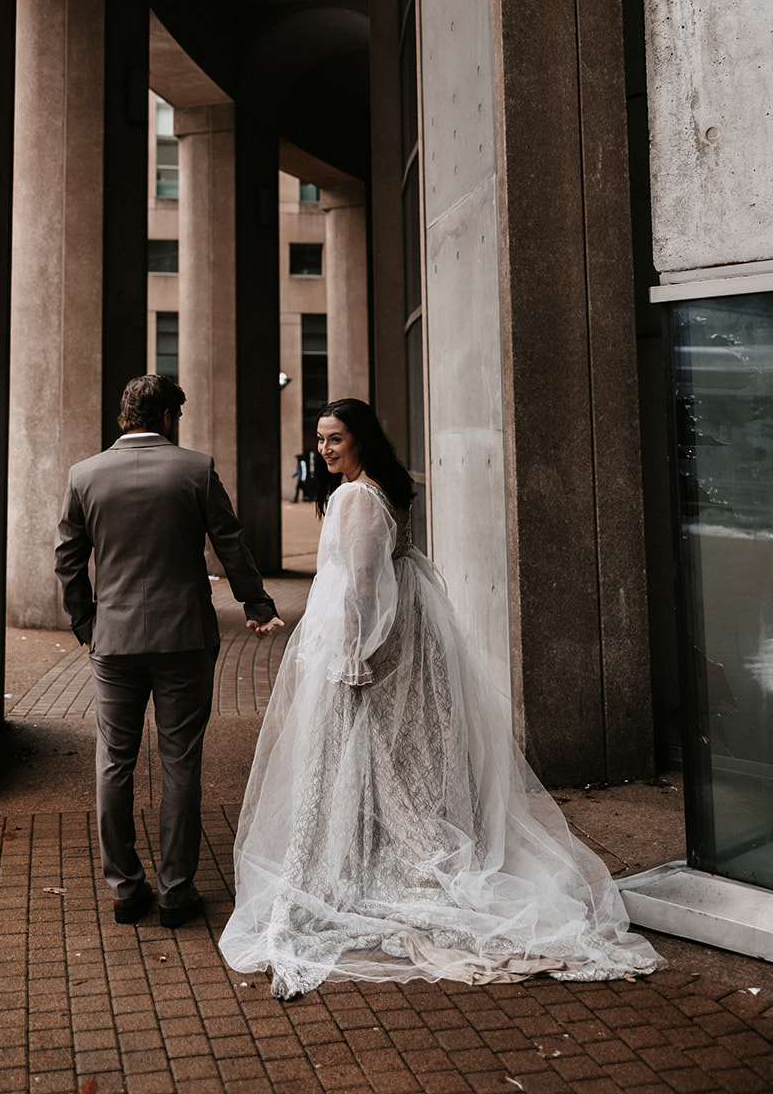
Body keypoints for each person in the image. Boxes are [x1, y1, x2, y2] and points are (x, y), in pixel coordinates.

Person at [219, 398, 663, 998]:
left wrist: (350, 656)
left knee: (361, 759)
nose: (324, 448)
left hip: (372, 651)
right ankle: (395, 852)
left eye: (335, 438)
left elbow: (362, 584)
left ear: (360, 440)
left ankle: (374, 866)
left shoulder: (355, 496)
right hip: (407, 641)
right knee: (394, 759)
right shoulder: (385, 491)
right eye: (320, 438)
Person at [55, 374, 284, 929]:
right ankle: (176, 893)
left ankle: (125, 890)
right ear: (166, 417)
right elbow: (230, 542)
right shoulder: (195, 469)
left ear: (123, 417)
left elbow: (67, 559)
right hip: (184, 638)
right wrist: (255, 604)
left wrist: (87, 622)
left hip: (114, 641)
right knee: (180, 763)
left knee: (115, 760)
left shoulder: (84, 476)